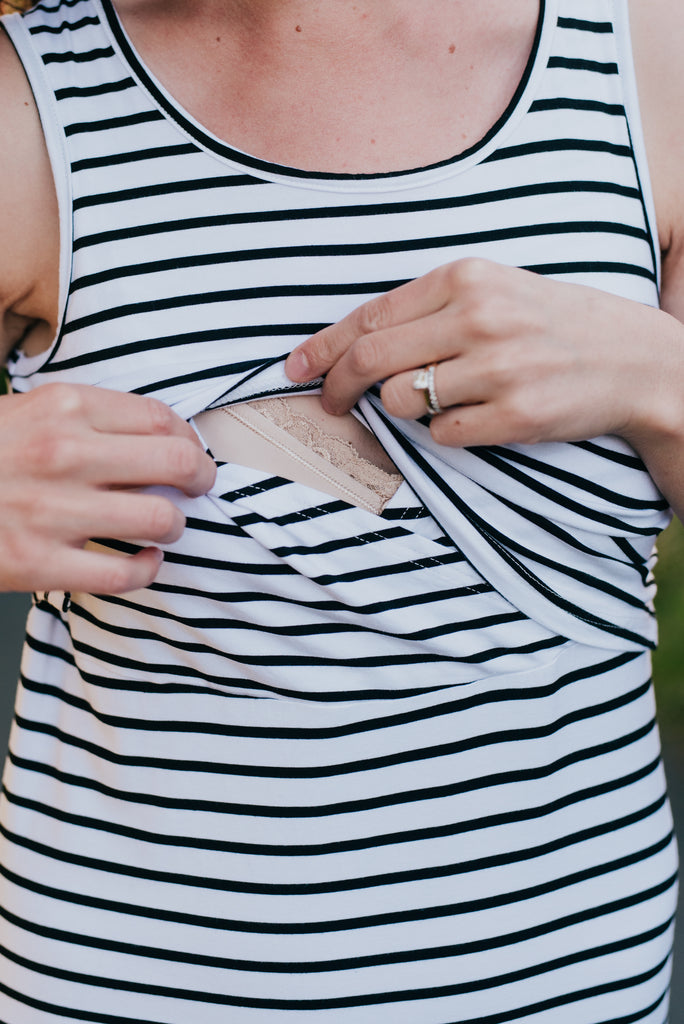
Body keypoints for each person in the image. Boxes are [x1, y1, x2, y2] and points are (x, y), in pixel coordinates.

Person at [0, 0, 682, 1020]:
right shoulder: (31, 98)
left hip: (573, 983)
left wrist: (655, 373)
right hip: (133, 981)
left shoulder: (651, 55)